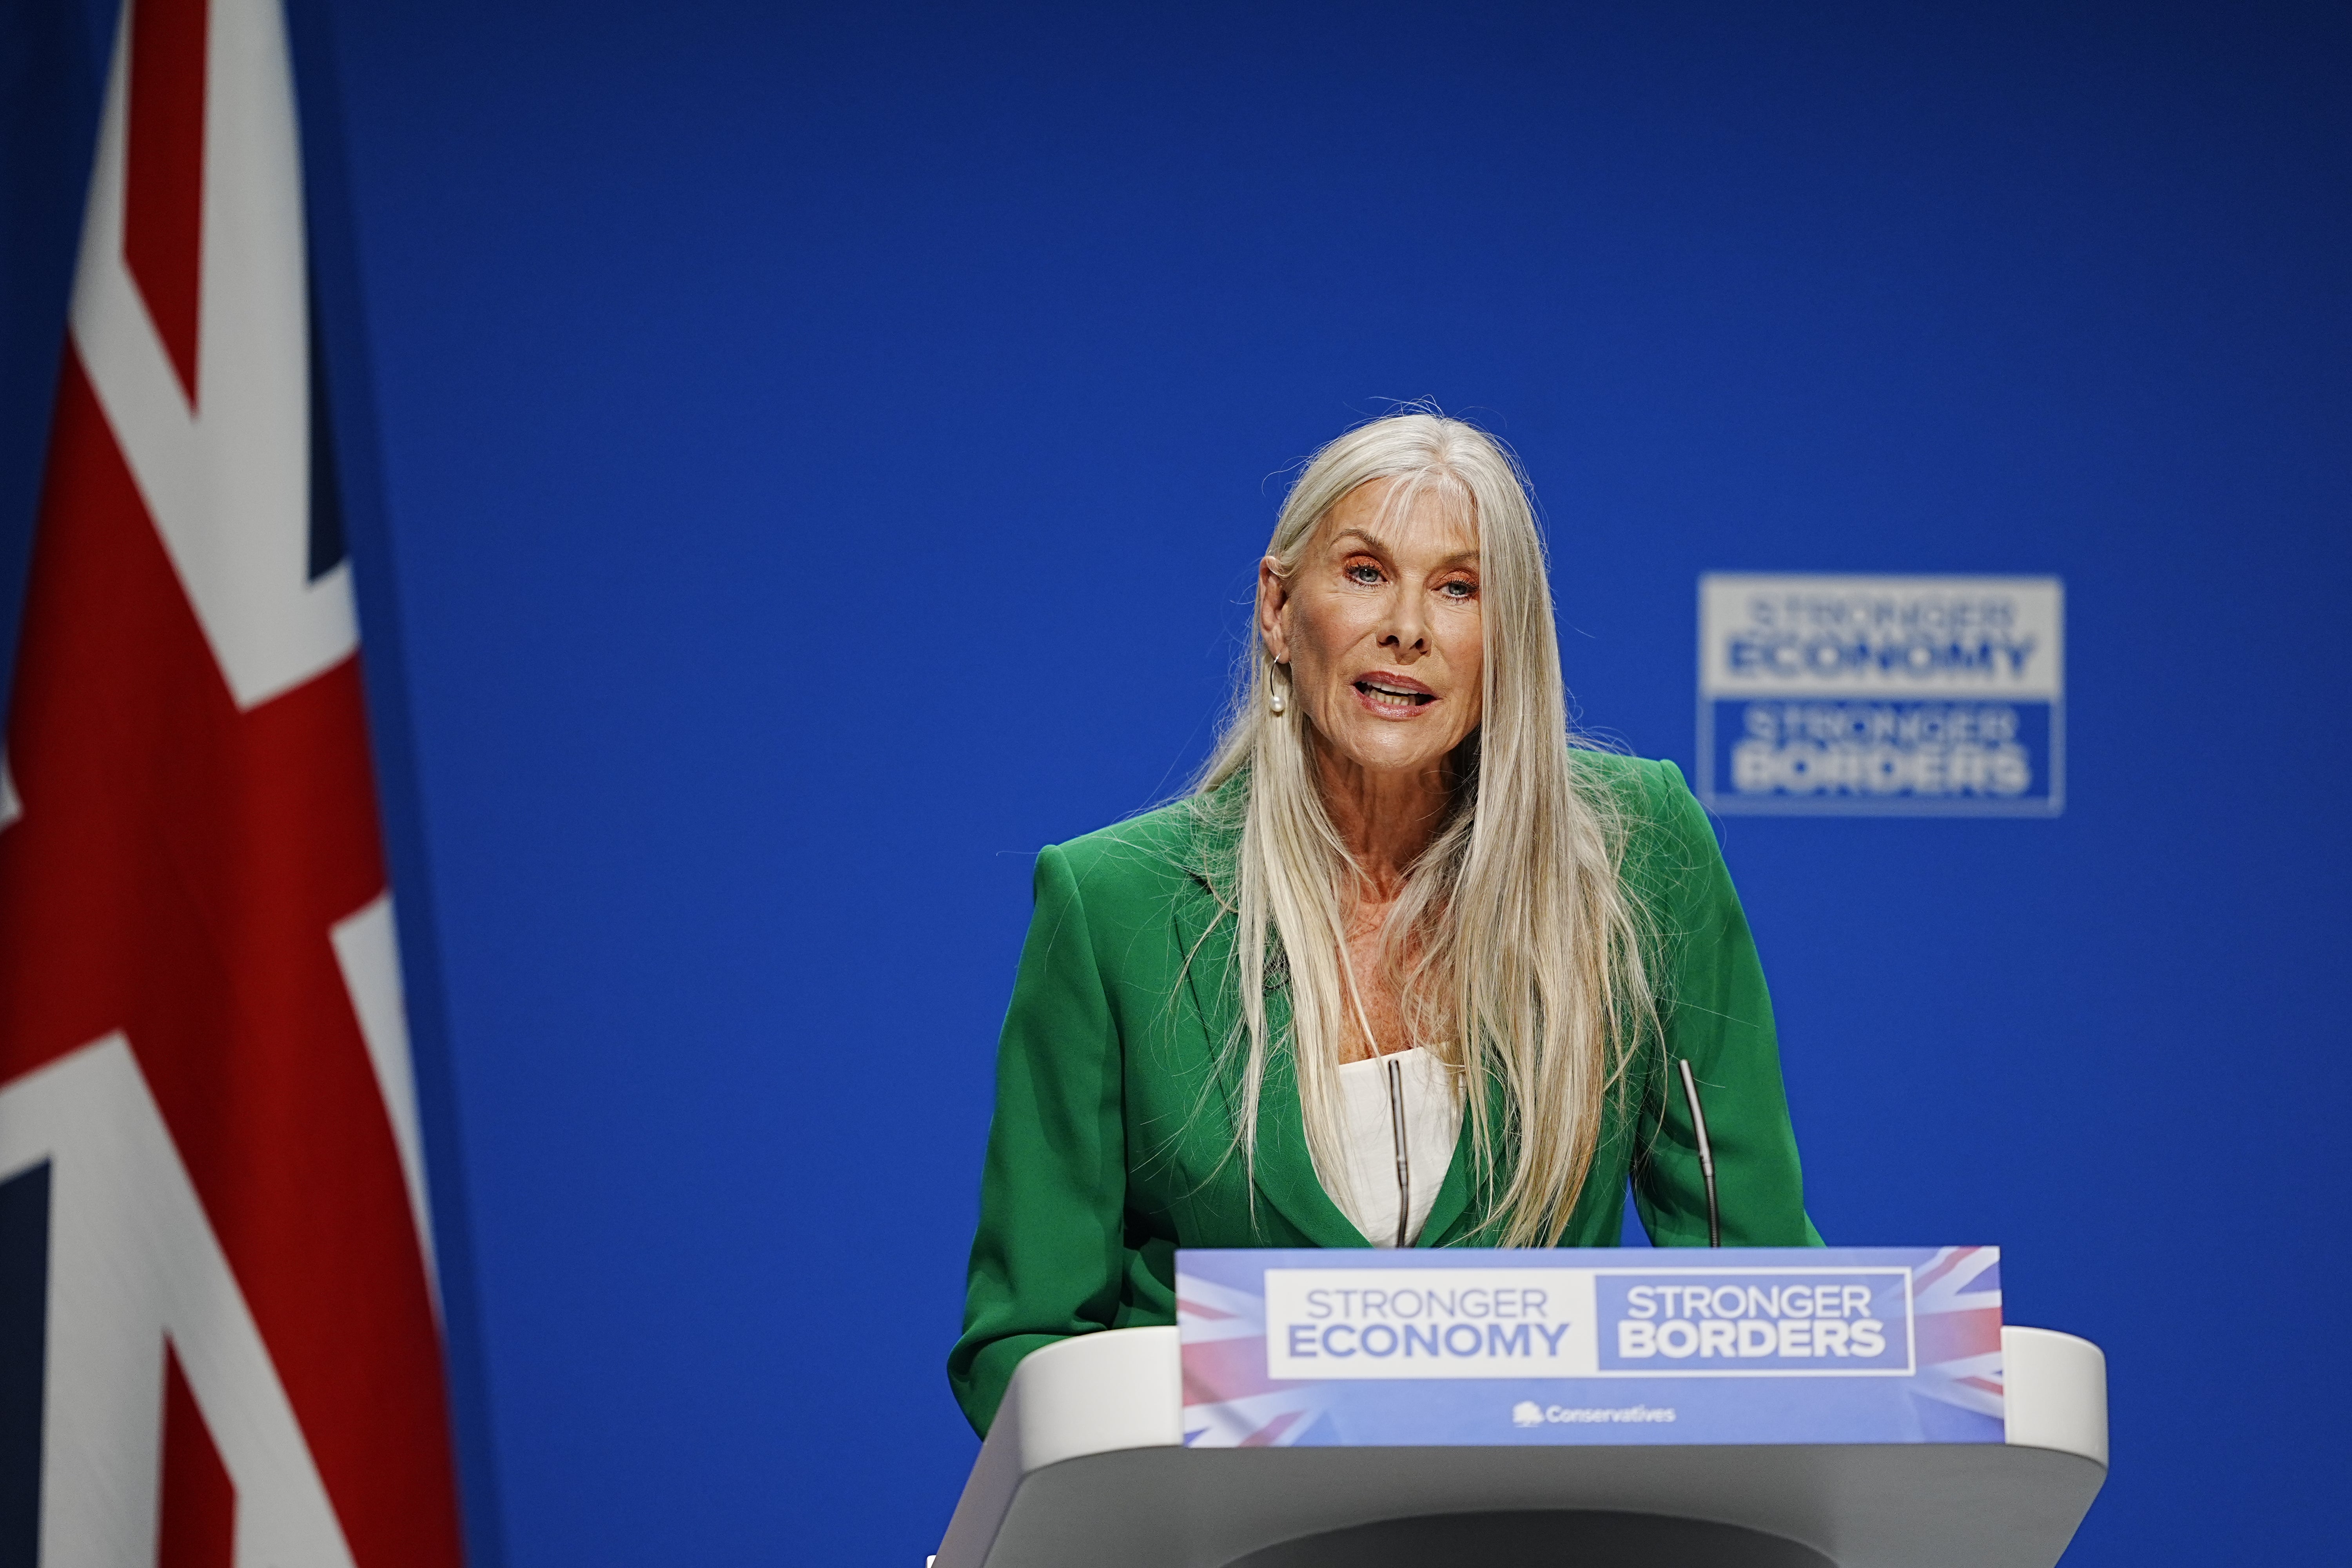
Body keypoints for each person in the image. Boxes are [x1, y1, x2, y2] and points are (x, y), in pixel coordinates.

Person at [948, 411, 1818, 1437]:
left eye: (1459, 588)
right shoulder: (1112, 901)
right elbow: (1027, 1339)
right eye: (1364, 572)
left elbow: (1753, 1282)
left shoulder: (1636, 852)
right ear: (1278, 608)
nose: (1407, 625)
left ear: (1511, 640)